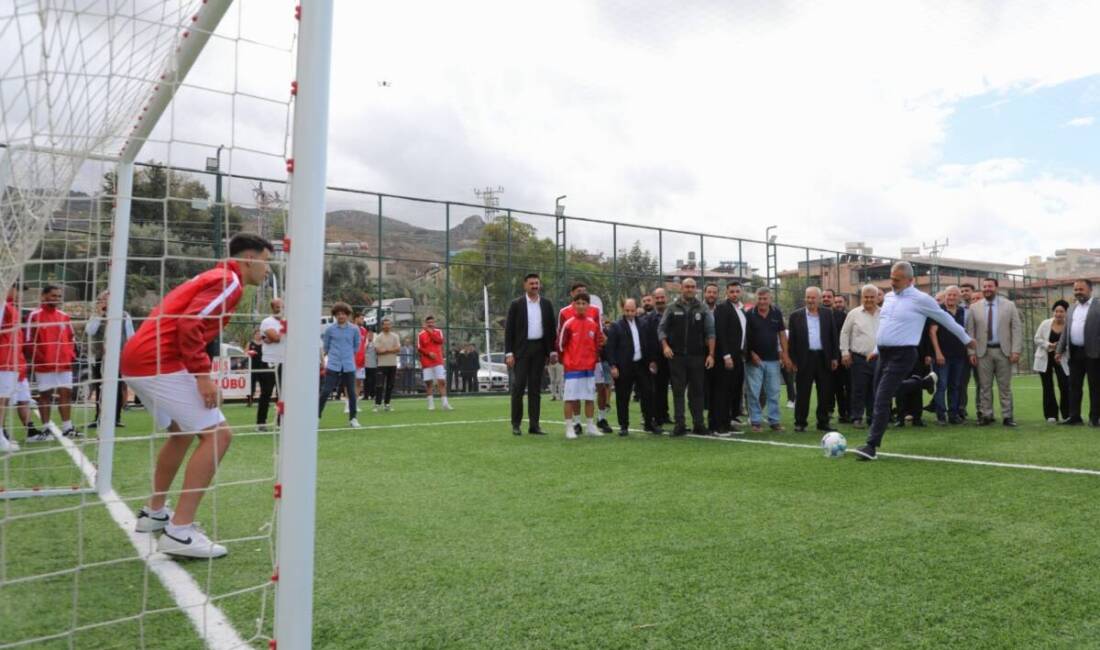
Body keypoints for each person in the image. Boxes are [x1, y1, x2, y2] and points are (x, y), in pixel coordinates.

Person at [122, 232, 272, 558]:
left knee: (181, 434)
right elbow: (190, 325)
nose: (267, 270)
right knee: (219, 436)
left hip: (139, 358)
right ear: (250, 259)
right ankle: (180, 531)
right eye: (266, 262)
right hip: (155, 361)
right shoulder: (230, 281)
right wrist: (203, 377)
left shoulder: (216, 276)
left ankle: (155, 512)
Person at [854, 262, 974, 461]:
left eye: (897, 279)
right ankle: (923, 382)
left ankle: (871, 445)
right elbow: (886, 326)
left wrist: (966, 339)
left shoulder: (922, 299)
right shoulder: (889, 298)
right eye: (891, 278)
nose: (892, 283)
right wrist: (876, 350)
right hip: (884, 353)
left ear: (910, 280)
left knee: (883, 398)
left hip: (904, 354)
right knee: (881, 393)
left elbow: (945, 318)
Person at [658, 278, 716, 436]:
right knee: (678, 392)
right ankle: (680, 425)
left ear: (696, 289)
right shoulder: (671, 308)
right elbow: (661, 329)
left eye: (692, 287)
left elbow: (711, 333)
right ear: (681, 289)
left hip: (698, 357)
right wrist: (665, 346)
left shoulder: (703, 308)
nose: (689, 289)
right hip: (676, 357)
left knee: (697, 392)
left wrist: (711, 354)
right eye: (687, 287)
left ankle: (699, 424)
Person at [965, 277, 1023, 427]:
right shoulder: (974, 307)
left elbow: (1017, 329)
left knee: (1004, 387)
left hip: (1004, 352)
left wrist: (1016, 350)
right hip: (983, 352)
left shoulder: (1009, 306)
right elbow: (970, 332)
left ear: (996, 288)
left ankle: (1008, 416)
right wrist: (971, 353)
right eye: (984, 287)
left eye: (990, 286)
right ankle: (986, 415)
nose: (987, 289)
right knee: (984, 387)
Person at [557, 282, 613, 432]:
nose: (582, 294)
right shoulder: (564, 313)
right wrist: (566, 360)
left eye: (585, 292)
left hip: (592, 362)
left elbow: (599, 337)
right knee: (573, 393)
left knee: (599, 388)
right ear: (572, 294)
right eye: (579, 292)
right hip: (573, 363)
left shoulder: (594, 311)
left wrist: (596, 355)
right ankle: (575, 423)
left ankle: (601, 418)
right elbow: (561, 340)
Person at [504, 272, 555, 435]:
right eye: (531, 283)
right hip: (521, 351)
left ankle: (534, 425)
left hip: (540, 350)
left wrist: (551, 351)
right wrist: (509, 353)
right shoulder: (516, 304)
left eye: (537, 283)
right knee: (518, 387)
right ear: (525, 285)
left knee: (535, 389)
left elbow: (551, 329)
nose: (534, 286)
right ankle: (516, 425)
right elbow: (509, 330)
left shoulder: (547, 304)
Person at [25, 284, 79, 438]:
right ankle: (46, 428)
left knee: (66, 394)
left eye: (58, 296)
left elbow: (71, 338)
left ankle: (67, 428)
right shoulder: (34, 315)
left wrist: (70, 355)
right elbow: (29, 341)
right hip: (45, 364)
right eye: (53, 295)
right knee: (45, 396)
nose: (56, 299)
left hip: (64, 363)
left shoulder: (64, 316)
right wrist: (40, 359)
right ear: (44, 296)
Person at [786, 287, 840, 433]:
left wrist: (835, 357)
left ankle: (823, 422)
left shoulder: (827, 314)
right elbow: (792, 341)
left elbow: (833, 337)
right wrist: (793, 360)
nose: (810, 300)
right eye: (808, 297)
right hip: (805, 358)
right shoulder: (795, 316)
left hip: (824, 357)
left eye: (813, 298)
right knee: (803, 392)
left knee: (825, 392)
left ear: (819, 299)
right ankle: (800, 422)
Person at [606, 298, 659, 436]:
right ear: (623, 310)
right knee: (623, 397)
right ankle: (624, 425)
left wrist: (652, 361)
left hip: (642, 365)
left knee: (648, 394)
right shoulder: (616, 326)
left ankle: (649, 423)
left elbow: (650, 343)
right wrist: (613, 366)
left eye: (632, 310)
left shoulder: (643, 324)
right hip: (624, 367)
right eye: (627, 310)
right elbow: (610, 348)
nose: (630, 313)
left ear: (637, 310)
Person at [86, 290, 135, 429]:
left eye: (107, 299)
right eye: (102, 299)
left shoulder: (125, 315)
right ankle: (99, 418)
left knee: (117, 387)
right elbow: (90, 331)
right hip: (99, 357)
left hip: (117, 357)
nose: (104, 302)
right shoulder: (96, 316)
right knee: (100, 388)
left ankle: (116, 418)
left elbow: (131, 336)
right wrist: (99, 315)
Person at [743, 287, 790, 433]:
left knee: (774, 391)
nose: (762, 301)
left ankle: (774, 421)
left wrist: (785, 354)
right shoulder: (749, 314)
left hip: (773, 359)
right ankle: (755, 421)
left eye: (765, 299)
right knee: (754, 392)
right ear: (755, 299)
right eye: (760, 298)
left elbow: (782, 334)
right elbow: (744, 338)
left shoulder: (776, 312)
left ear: (770, 299)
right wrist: (751, 353)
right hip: (754, 360)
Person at [1055, 279, 1100, 426]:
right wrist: (1059, 350)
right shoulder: (1072, 309)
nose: (1078, 292)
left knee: (1095, 387)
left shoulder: (1098, 306)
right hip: (1074, 353)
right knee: (1073, 386)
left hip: (1094, 353)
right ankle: (1074, 417)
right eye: (1076, 290)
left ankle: (1095, 418)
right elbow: (1065, 332)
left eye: (1081, 289)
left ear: (1090, 290)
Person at [840, 284, 881, 428]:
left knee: (876, 389)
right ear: (861, 297)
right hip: (859, 358)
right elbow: (844, 333)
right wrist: (845, 352)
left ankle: (873, 418)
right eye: (866, 297)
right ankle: (856, 417)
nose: (869, 299)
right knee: (858, 389)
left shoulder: (884, 313)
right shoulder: (854, 313)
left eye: (872, 297)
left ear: (877, 297)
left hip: (878, 358)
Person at [927, 286, 968, 425]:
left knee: (955, 386)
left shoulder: (962, 311)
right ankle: (940, 415)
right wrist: (938, 352)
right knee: (942, 385)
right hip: (942, 356)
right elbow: (932, 332)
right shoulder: (939, 311)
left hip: (959, 355)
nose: (951, 297)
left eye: (954, 295)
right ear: (945, 296)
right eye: (949, 295)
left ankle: (953, 414)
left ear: (959, 297)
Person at [318, 302, 361, 428]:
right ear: (335, 316)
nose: (341, 316)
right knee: (325, 392)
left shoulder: (354, 329)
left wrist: (347, 356)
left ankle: (353, 418)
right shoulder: (330, 330)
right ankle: (316, 417)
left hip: (348, 365)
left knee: (352, 393)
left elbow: (356, 346)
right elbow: (326, 346)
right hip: (333, 365)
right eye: (338, 314)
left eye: (343, 314)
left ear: (347, 315)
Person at [713, 281, 746, 435]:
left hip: (739, 356)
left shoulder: (741, 309)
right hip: (726, 357)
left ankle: (727, 422)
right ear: (726, 292)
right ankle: (719, 425)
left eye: (737, 291)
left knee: (733, 391)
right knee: (722, 392)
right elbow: (721, 334)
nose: (734, 294)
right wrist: (726, 356)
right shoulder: (722, 308)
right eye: (731, 291)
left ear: (741, 292)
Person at [1034, 300, 1071, 424]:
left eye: (1061, 311)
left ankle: (1067, 414)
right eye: (1056, 311)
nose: (1058, 314)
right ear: (1053, 312)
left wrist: (1061, 348)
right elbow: (1037, 339)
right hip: (1045, 358)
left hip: (1062, 359)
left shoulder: (1069, 325)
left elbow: (1071, 342)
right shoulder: (1045, 323)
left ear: (1066, 312)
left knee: (1064, 386)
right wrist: (1049, 345)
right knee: (1048, 386)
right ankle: (1051, 415)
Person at [256, 298, 285, 430]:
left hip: (285, 362)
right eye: (277, 307)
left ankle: (280, 422)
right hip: (269, 361)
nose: (280, 309)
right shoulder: (267, 322)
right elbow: (276, 338)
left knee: (283, 395)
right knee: (266, 393)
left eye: (282, 307)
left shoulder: (289, 321)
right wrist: (285, 330)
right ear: (272, 308)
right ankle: (261, 423)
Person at [0, 286, 23, 453]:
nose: (18, 293)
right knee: (1, 400)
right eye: (15, 288)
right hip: (3, 359)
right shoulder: (3, 306)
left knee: (4, 400)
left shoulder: (11, 307)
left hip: (11, 359)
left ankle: (1, 436)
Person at [646, 288, 672, 426]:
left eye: (662, 297)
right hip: (656, 358)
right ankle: (657, 417)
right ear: (654, 299)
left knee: (670, 388)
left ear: (666, 298)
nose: (660, 300)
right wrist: (652, 360)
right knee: (657, 388)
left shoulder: (672, 314)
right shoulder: (649, 319)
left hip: (672, 357)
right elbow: (649, 340)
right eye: (658, 298)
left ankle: (665, 414)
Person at [825, 290, 850, 423]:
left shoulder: (845, 316)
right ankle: (828, 411)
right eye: (836, 302)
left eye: (840, 302)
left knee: (842, 387)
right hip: (827, 357)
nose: (838, 304)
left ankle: (844, 413)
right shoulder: (824, 315)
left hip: (842, 357)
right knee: (828, 387)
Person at [418, 315, 451, 411]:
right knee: (429, 383)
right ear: (426, 323)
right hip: (426, 362)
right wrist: (429, 353)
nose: (430, 324)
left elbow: (440, 341)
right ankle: (431, 405)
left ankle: (445, 404)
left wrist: (430, 332)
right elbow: (419, 348)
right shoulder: (420, 334)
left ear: (434, 323)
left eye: (432, 322)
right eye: (429, 323)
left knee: (442, 381)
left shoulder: (438, 332)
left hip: (438, 361)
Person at [957, 282, 978, 419]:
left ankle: (981, 410)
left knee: (981, 382)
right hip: (962, 351)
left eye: (967, 290)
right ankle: (961, 409)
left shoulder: (980, 308)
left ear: (973, 291)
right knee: (961, 382)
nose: (965, 293)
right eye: (962, 290)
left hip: (979, 349)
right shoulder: (958, 309)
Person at [373, 318, 400, 411]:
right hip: (381, 365)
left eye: (389, 324)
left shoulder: (395, 336)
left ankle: (387, 404)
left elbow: (397, 349)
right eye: (385, 324)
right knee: (379, 385)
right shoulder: (379, 337)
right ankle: (377, 404)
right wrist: (389, 350)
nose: (387, 326)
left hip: (392, 364)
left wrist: (386, 350)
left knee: (390, 385)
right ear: (382, 326)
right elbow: (378, 350)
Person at [246, 330, 263, 407]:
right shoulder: (250, 343)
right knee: (251, 384)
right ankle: (250, 401)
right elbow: (245, 353)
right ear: (254, 335)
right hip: (252, 366)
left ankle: (263, 400)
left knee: (264, 384)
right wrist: (249, 353)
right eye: (257, 334)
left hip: (262, 366)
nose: (258, 335)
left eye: (260, 334)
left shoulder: (265, 343)